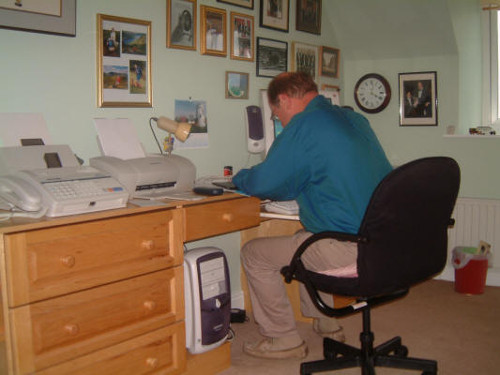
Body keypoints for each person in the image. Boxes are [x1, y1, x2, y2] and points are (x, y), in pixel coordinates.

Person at [232, 72, 392, 359]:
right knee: (304, 238)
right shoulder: (354, 120)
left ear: (284, 100)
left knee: (253, 253)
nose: (279, 120)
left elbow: (264, 184)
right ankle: (326, 322)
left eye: (276, 114)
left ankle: (283, 339)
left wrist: (238, 178)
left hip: (349, 250)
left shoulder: (305, 125)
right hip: (384, 244)